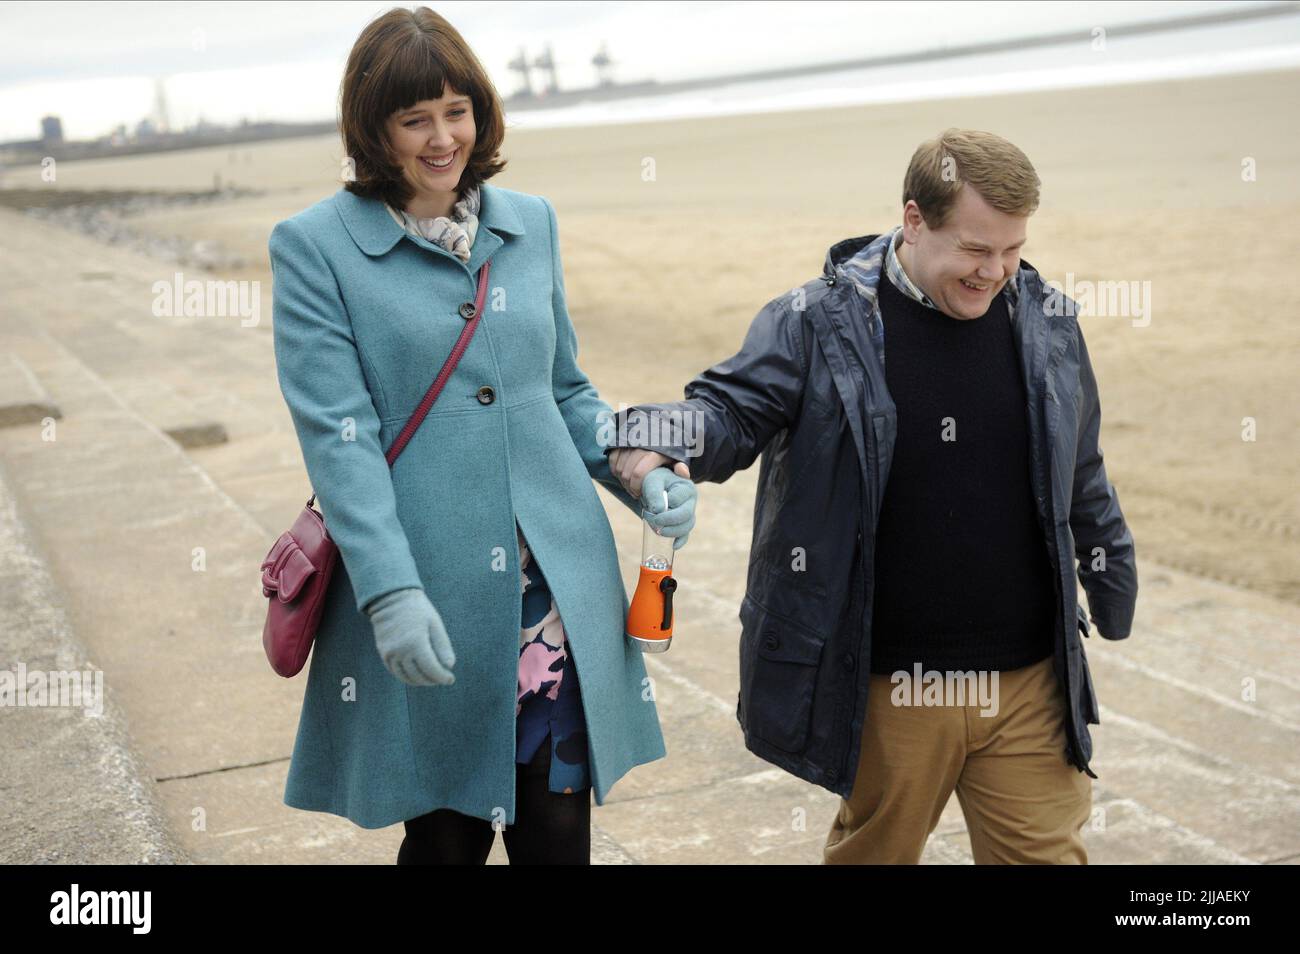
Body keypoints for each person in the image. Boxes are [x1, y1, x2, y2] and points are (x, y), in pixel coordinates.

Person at [606, 129, 1138, 864]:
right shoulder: (816, 321)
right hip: (895, 684)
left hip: (1028, 680)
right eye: (975, 250)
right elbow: (730, 409)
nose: (996, 271)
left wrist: (1113, 585)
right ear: (913, 219)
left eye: (1012, 249)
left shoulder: (1046, 319)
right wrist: (651, 434)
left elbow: (1081, 468)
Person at [269, 6, 696, 864]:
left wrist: (640, 469)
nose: (441, 138)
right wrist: (388, 593)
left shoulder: (530, 220)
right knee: (444, 839)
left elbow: (565, 390)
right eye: (413, 118)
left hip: (557, 601)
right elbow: (339, 439)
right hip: (427, 593)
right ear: (372, 129)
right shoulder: (315, 249)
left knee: (558, 834)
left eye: (456, 111)